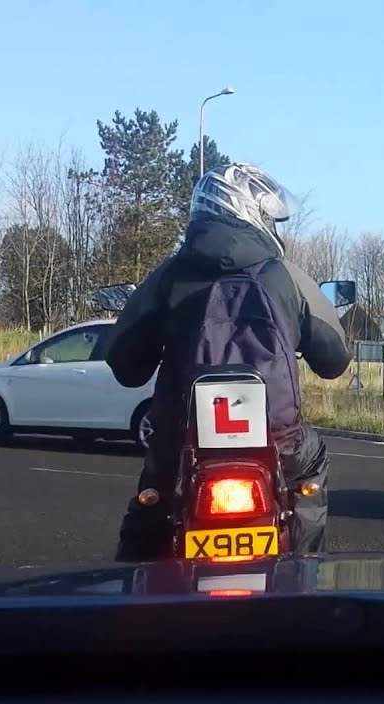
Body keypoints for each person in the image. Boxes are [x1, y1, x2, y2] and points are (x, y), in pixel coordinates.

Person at [104, 162, 351, 561]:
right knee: (311, 465)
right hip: (278, 441)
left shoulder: (167, 277)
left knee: (155, 497)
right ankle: (304, 571)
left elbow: (125, 367)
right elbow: (335, 361)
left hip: (181, 441)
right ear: (251, 213)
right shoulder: (286, 277)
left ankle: (139, 592)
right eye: (272, 217)